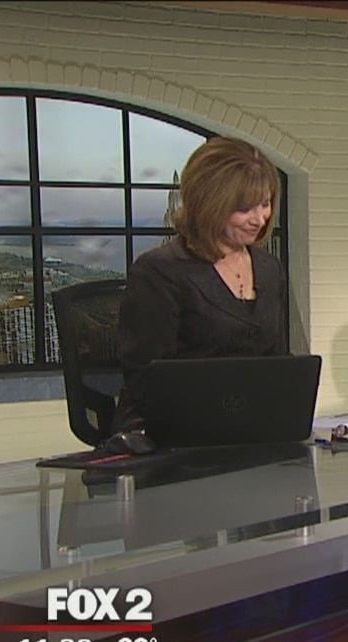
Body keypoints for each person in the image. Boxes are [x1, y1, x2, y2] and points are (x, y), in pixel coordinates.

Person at [114, 136, 289, 433]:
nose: (260, 219)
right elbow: (148, 382)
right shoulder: (160, 271)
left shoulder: (269, 270)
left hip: (250, 426)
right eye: (245, 208)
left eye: (265, 204)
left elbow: (278, 364)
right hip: (171, 430)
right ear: (210, 204)